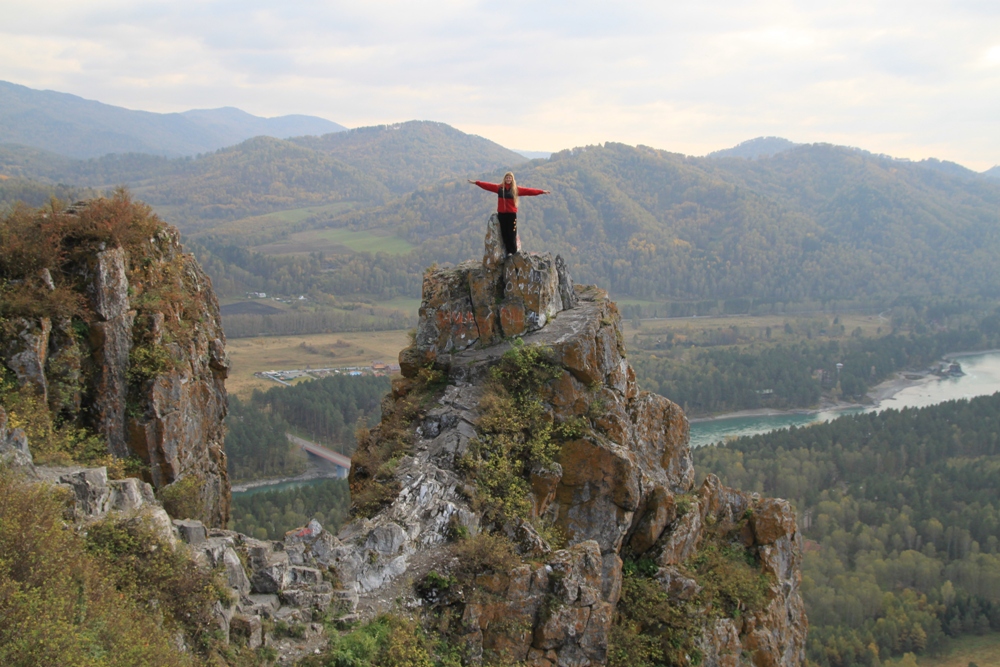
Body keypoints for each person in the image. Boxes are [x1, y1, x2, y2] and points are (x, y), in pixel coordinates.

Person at [468, 172, 550, 255]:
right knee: (504, 233)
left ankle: (513, 253)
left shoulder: (515, 190)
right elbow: (488, 186)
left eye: (510, 178)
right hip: (502, 215)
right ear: (504, 179)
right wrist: (476, 183)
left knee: (512, 234)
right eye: (507, 177)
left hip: (511, 215)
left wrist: (541, 191)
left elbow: (529, 191)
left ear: (512, 179)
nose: (508, 179)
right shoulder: (499, 188)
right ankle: (507, 253)